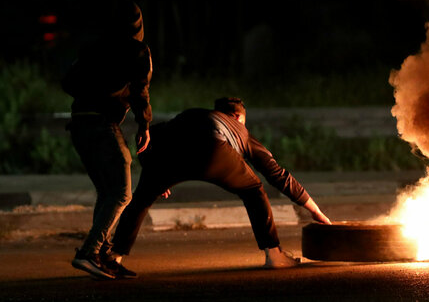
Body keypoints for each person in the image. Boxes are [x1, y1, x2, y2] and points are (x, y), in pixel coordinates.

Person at [105, 97, 331, 278]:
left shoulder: (193, 114)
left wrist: (153, 172)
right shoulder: (237, 127)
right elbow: (278, 174)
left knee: (142, 199)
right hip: (214, 149)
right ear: (236, 116)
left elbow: (147, 137)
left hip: (173, 151)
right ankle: (274, 254)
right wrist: (314, 210)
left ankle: (114, 257)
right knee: (254, 189)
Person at [61, 0, 153, 279]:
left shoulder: (93, 47)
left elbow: (67, 82)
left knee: (107, 191)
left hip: (80, 124)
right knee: (123, 193)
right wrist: (144, 124)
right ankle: (89, 252)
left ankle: (101, 255)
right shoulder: (137, 50)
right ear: (139, 25)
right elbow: (140, 89)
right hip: (102, 124)